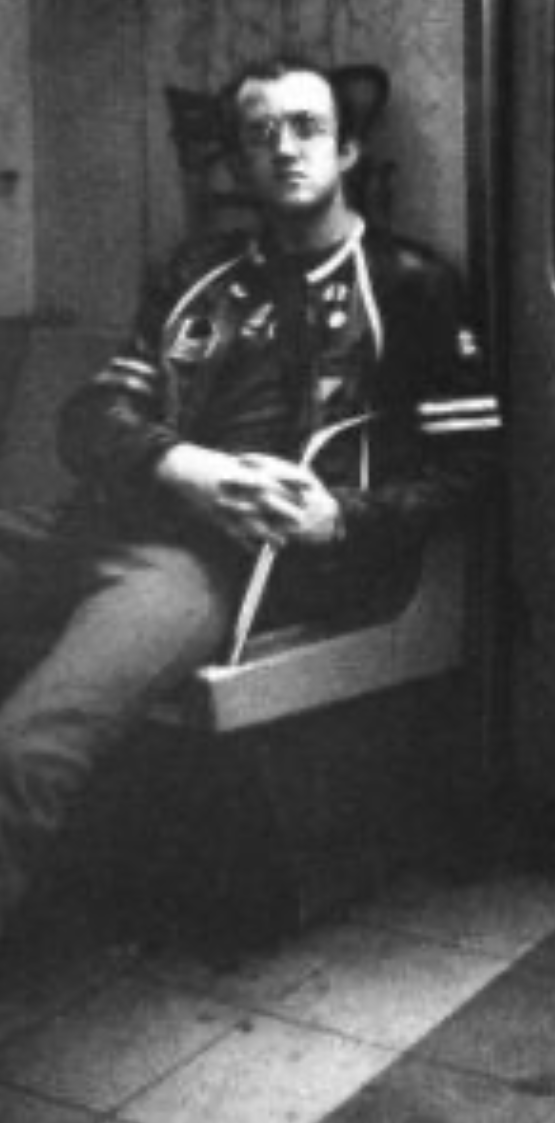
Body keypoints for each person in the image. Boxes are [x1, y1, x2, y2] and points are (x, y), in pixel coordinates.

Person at [0, 56, 495, 940]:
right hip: (114, 516)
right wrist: (178, 462)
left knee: (25, 748)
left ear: (347, 150)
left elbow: (475, 473)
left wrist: (343, 515)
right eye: (261, 134)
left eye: (306, 128)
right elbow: (93, 416)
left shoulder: (412, 285)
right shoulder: (201, 271)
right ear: (238, 165)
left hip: (209, 565)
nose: (285, 149)